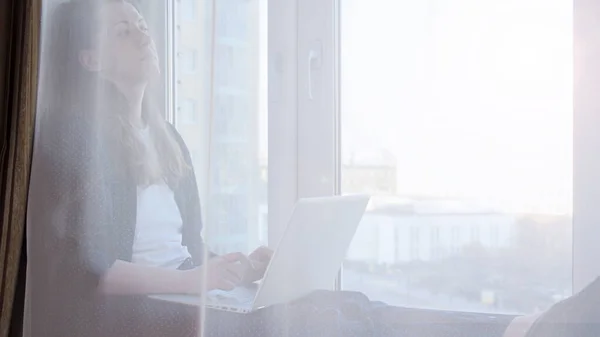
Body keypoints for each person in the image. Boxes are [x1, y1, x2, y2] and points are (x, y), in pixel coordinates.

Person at [28, 0, 529, 336]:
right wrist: (200, 280)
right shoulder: (76, 138)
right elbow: (86, 274)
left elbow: (189, 250)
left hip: (179, 290)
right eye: (123, 30)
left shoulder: (167, 138)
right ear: (90, 59)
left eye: (141, 24)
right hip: (136, 312)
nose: (143, 34)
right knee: (321, 317)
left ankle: (520, 329)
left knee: (350, 301)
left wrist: (239, 267)